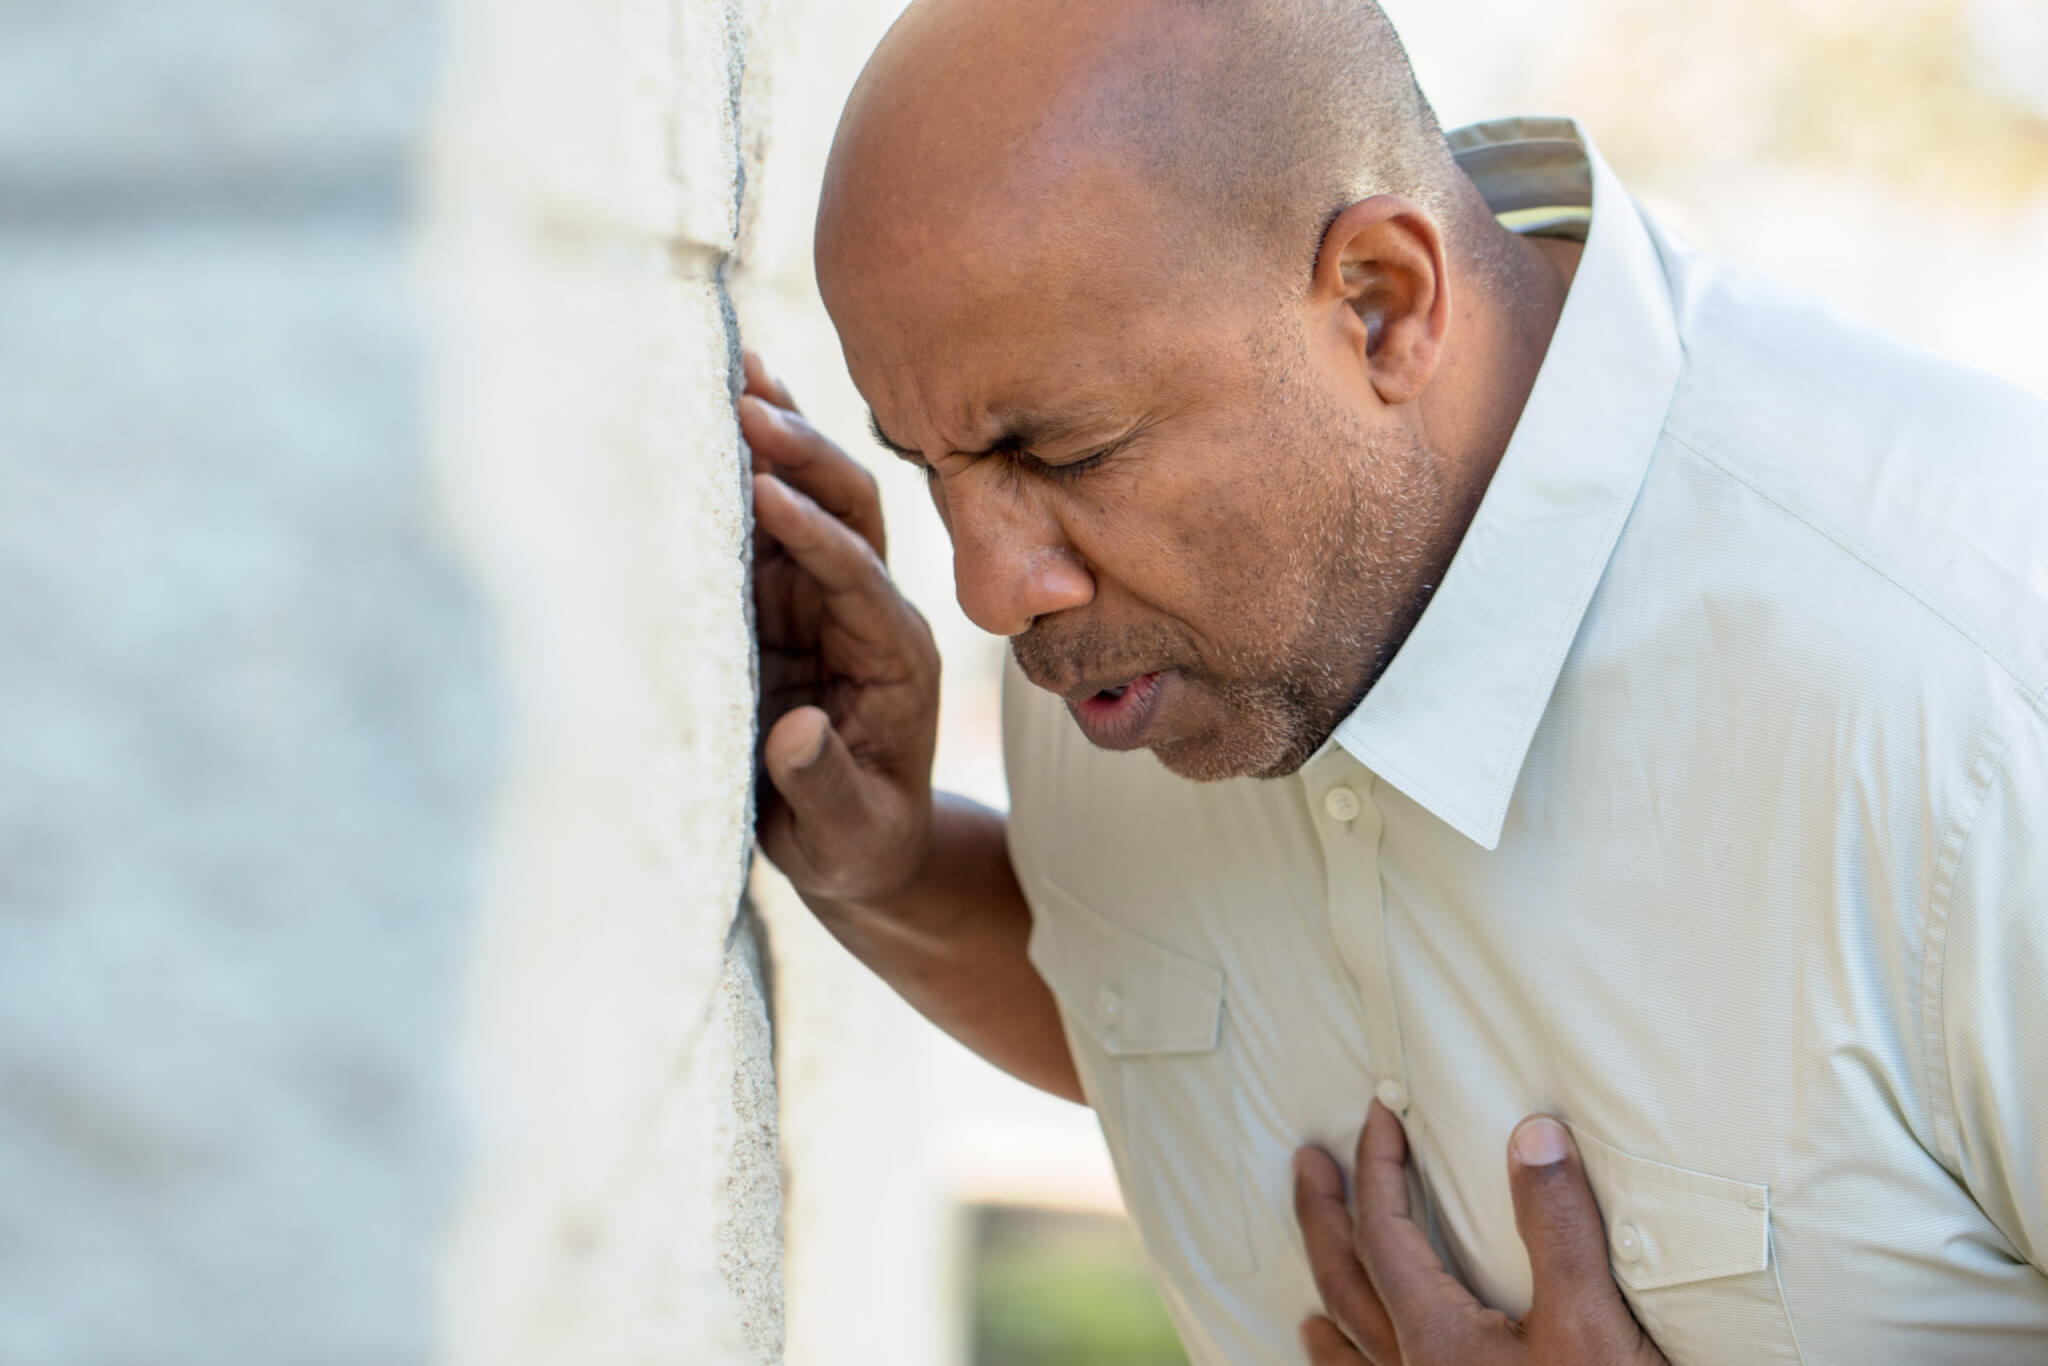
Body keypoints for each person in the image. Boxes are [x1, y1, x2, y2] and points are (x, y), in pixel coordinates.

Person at [743, 0, 2048, 1361]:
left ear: (1381, 303)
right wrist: (889, 869)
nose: (989, 588)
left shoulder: (1979, 689)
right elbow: (1162, 989)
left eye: (1062, 453)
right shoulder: (1134, 642)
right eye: (928, 467)